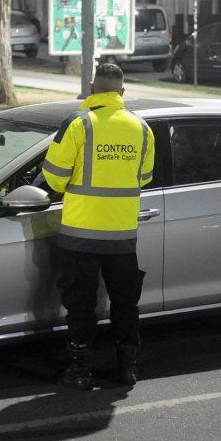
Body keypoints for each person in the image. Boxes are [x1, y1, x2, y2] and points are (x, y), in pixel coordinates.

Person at [42, 63, 155, 390]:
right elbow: (144, 177)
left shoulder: (78, 125)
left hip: (80, 236)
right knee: (125, 303)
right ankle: (127, 370)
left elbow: (54, 178)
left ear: (92, 88)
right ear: (121, 92)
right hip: (122, 237)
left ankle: (79, 372)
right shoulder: (141, 128)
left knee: (80, 305)